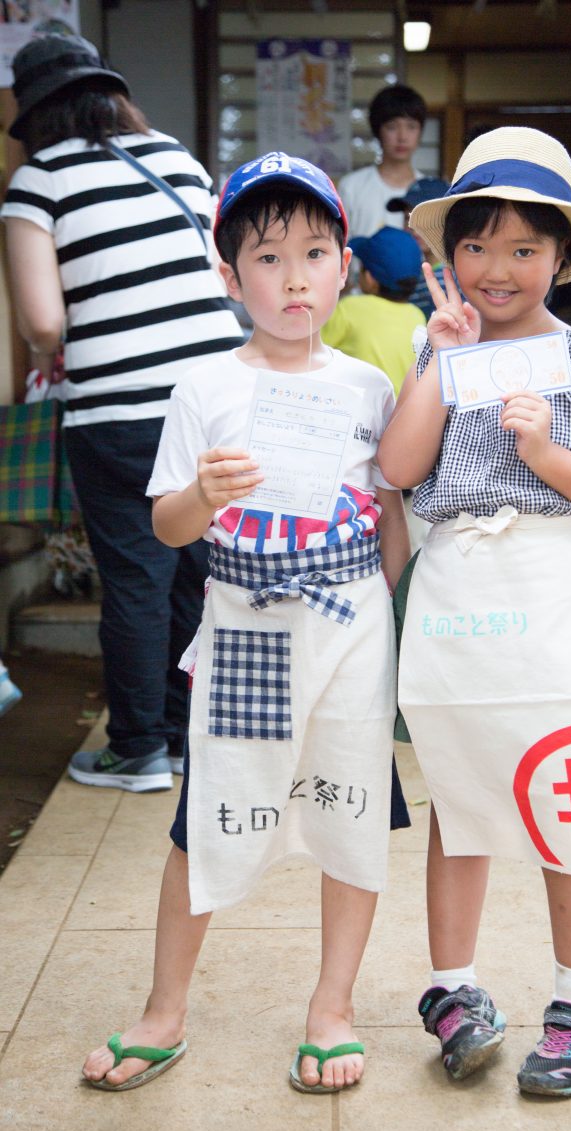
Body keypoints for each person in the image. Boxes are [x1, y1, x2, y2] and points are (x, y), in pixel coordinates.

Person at [82, 151, 410, 1095]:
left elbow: (386, 510)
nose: (294, 276)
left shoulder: (364, 389)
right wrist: (202, 492)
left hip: (349, 639)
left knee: (350, 815)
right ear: (229, 277)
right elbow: (166, 525)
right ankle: (164, 1011)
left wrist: (383, 615)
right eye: (268, 258)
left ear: (343, 263)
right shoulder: (204, 388)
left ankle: (332, 1009)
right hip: (248, 641)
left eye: (314, 252)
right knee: (211, 817)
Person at [378, 126, 571, 1098]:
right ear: (447, 252)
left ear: (560, 256)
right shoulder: (440, 347)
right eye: (475, 245)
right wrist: (436, 359)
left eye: (522, 248)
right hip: (458, 597)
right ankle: (451, 994)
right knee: (461, 803)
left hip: (554, 592)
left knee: (570, 803)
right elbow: (399, 470)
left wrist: (547, 458)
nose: (495, 269)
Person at [1, 34, 243, 790]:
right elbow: (220, 273)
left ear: (34, 113)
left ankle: (138, 747)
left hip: (119, 408)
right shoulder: (176, 157)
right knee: (200, 572)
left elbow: (42, 323)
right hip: (216, 395)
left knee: (136, 575)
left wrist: (51, 352)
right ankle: (192, 737)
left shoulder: (37, 180)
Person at [322, 225, 425, 396]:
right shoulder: (417, 316)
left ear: (370, 278)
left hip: (357, 414)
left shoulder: (350, 308)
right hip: (401, 415)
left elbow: (312, 351)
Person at [336, 84, 426, 240]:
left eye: (411, 127)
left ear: (420, 132)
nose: (402, 137)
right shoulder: (351, 187)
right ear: (378, 131)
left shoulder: (430, 192)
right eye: (392, 127)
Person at [386, 177, 450, 319]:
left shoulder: (455, 278)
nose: (413, 226)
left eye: (423, 218)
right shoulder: (417, 273)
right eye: (407, 218)